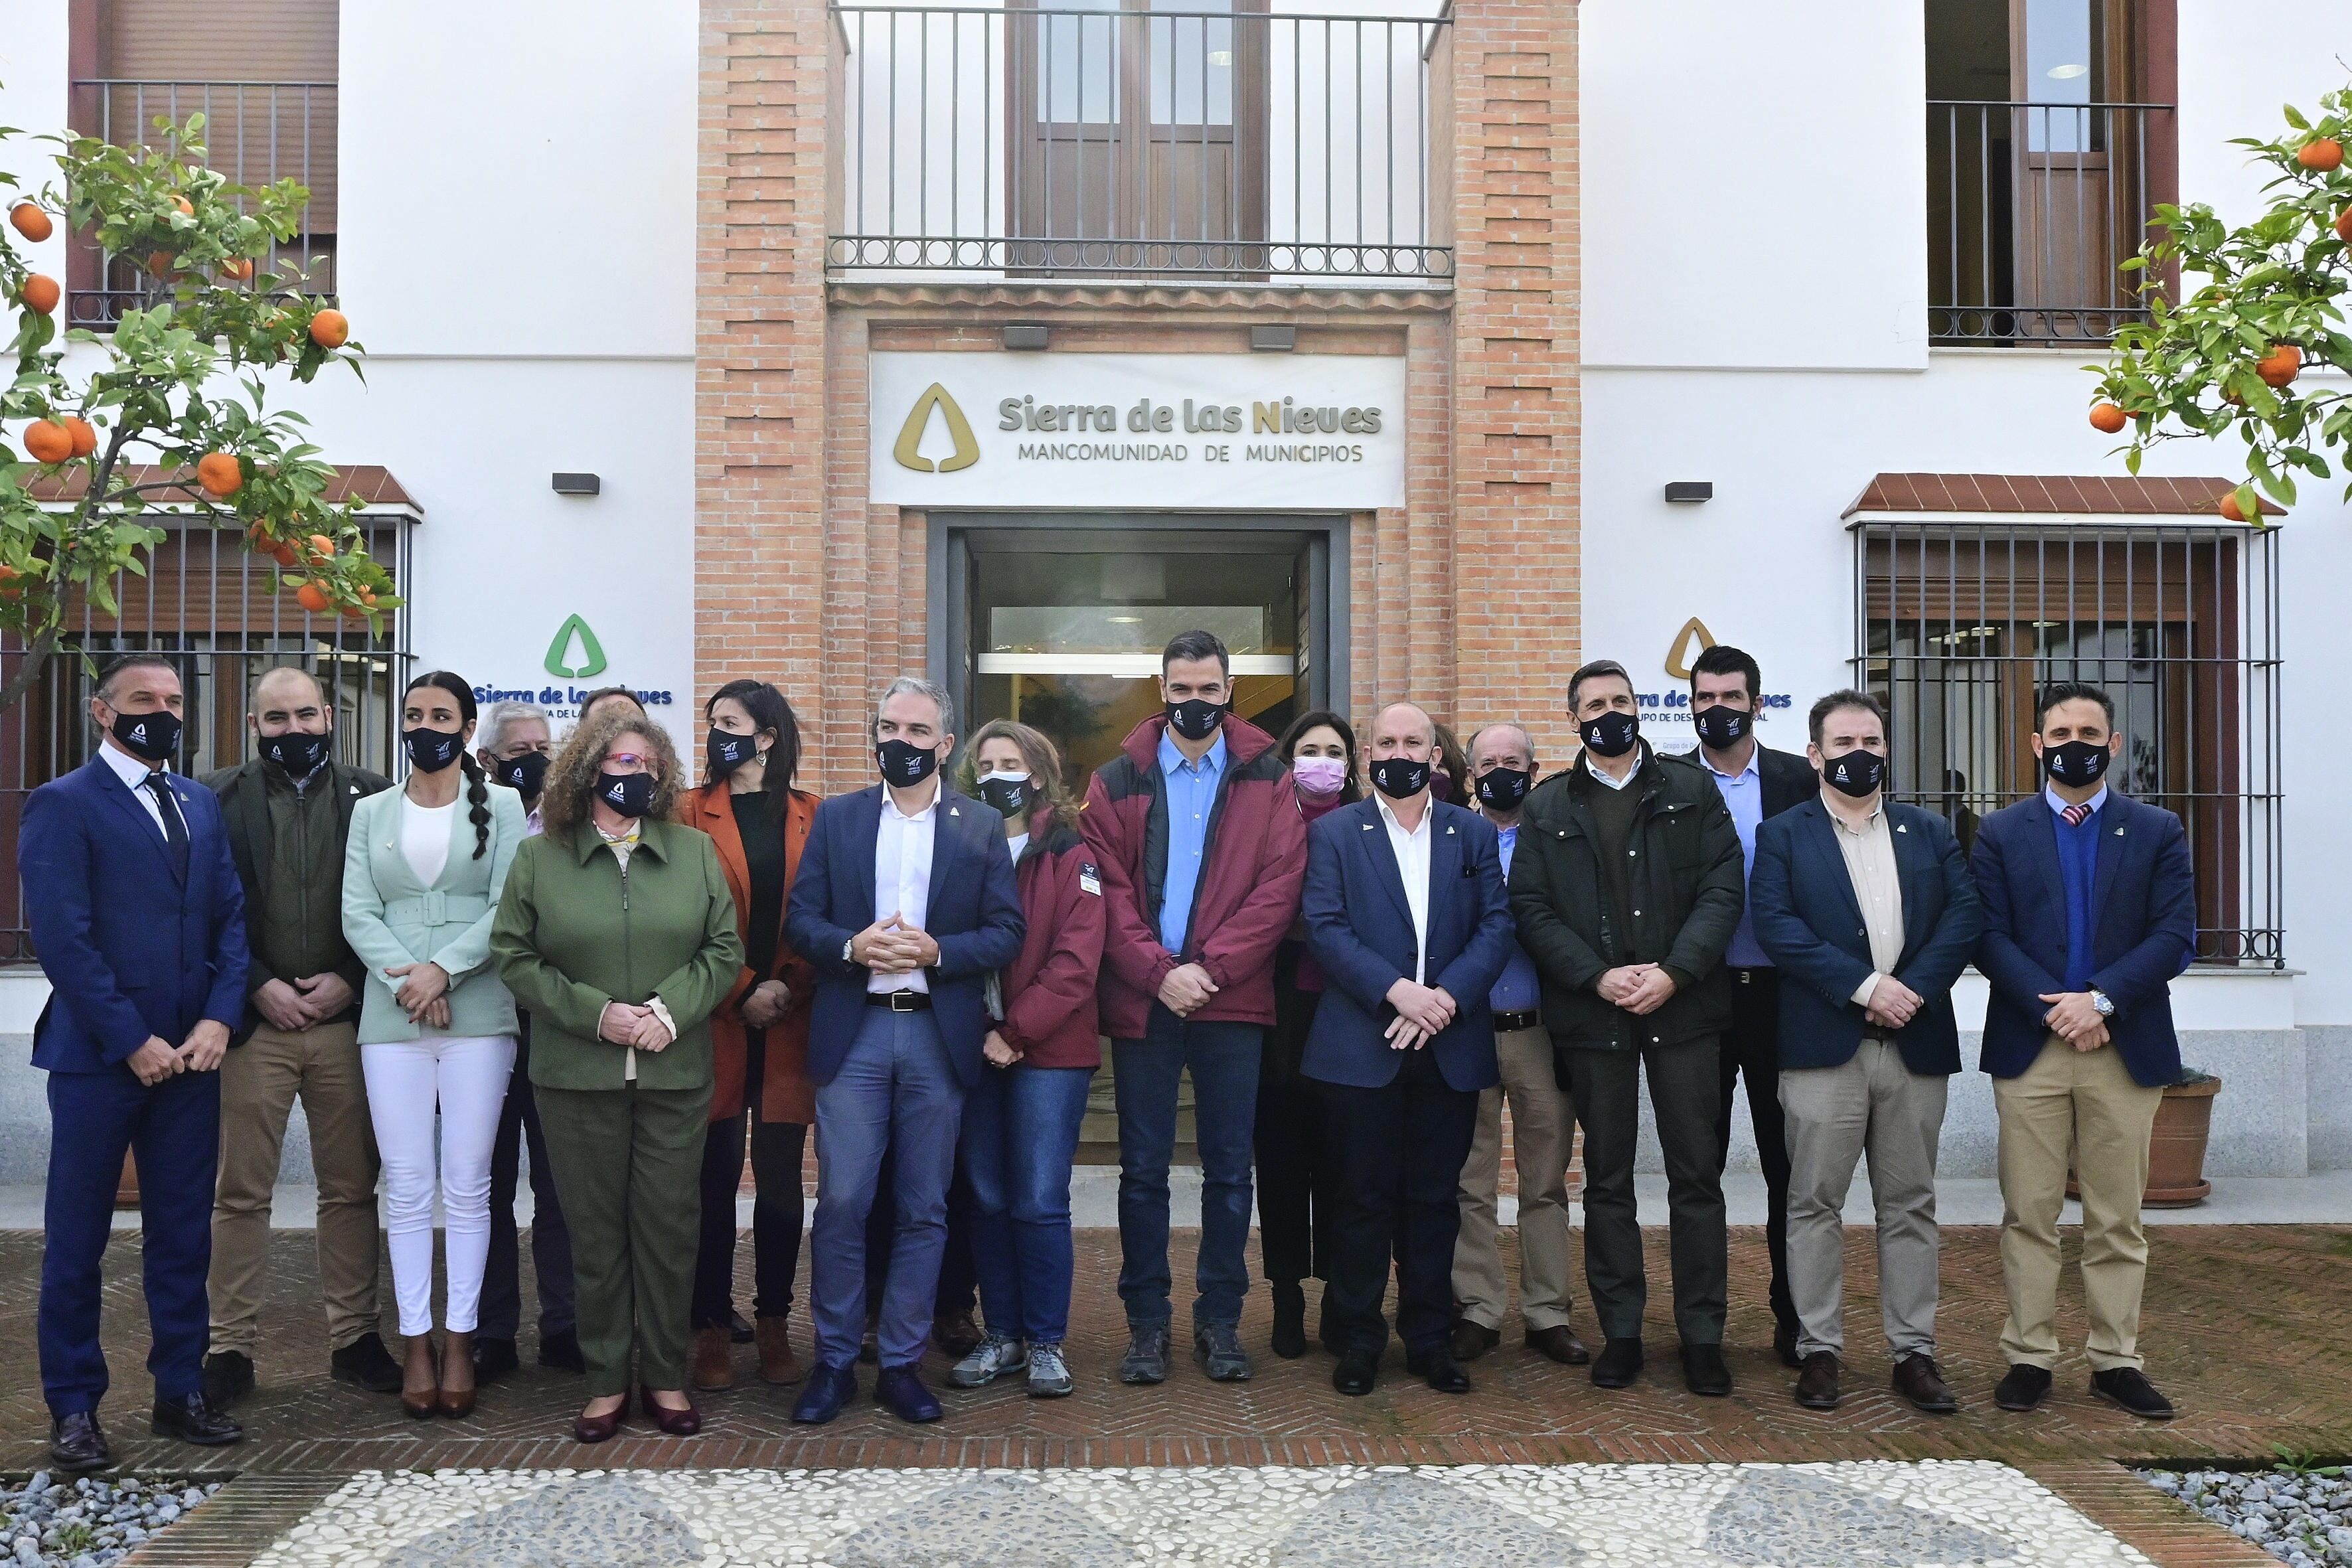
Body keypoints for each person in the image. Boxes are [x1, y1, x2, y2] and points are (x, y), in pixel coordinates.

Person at [491, 710, 744, 1443]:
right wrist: (598, 1015)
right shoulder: (542, 857)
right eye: (618, 762)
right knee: (594, 1233)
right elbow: (515, 955)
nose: (632, 775)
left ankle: (664, 1375)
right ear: (586, 771)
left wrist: (670, 1011)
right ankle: (606, 1382)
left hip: (674, 1072)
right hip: (576, 1075)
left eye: (645, 763)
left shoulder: (693, 853)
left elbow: (723, 949)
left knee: (668, 1228)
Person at [23, 655, 249, 1470]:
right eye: (143, 699)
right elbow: (64, 940)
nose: (162, 711)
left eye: (174, 700)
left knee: (183, 1236)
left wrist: (222, 1018)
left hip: (193, 1058)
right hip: (99, 1059)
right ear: (101, 711)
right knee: (77, 1241)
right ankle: (75, 1407)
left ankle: (179, 1389)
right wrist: (132, 1038)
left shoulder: (197, 802)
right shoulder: (63, 804)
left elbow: (230, 918)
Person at [783, 676, 1025, 1425]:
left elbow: (1007, 932)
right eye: (890, 727)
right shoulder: (840, 817)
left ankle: (900, 1364)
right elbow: (802, 920)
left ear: (946, 746)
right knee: (847, 1201)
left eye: (919, 732)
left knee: (924, 1208)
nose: (903, 743)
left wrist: (938, 949)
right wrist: (851, 946)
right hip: (855, 1031)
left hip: (934, 1032)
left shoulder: (978, 826)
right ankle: (830, 1362)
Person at [1508, 659, 1743, 1396]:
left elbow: (1722, 885)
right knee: (1607, 1179)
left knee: (1694, 1177)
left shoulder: (1690, 787)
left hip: (1685, 1008)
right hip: (1594, 1016)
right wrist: (1595, 976)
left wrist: (1675, 970)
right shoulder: (1548, 807)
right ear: (1573, 718)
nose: (1610, 713)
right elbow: (1532, 907)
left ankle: (1703, 1336)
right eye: (1594, 704)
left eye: (1621, 700)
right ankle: (1623, 1333)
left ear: (1639, 708)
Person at [1083, 630, 1307, 1387]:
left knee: (1227, 1170)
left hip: (1230, 999)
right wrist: (1158, 971)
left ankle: (1219, 1320)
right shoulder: (1116, 779)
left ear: (1230, 689)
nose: (1195, 703)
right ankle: (1146, 1324)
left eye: (1209, 690)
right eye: (1182, 689)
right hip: (1148, 1000)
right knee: (1142, 1169)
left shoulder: (1268, 777)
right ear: (1162, 689)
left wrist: (1208, 971)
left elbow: (1279, 888)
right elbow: (1105, 890)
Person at [1749, 690, 1982, 1414]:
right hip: (1825, 1047)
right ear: (1816, 754)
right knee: (1813, 1201)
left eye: (1872, 742)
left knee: (1910, 1203)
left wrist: (1907, 989)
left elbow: (1964, 913)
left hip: (1913, 1041)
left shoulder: (1928, 830)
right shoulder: (1785, 834)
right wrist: (1863, 987)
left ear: (1887, 749)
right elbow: (1777, 926)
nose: (1861, 754)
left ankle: (1914, 1351)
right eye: (1844, 742)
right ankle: (1819, 1349)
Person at [1972, 681, 2195, 1422]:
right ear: (2037, 744)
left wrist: (2097, 999)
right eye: (2060, 730)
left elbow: (2174, 937)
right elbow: (1989, 935)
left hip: (2121, 1044)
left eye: (2089, 731)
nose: (2076, 742)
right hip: (2032, 1047)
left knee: (2116, 1217)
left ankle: (2115, 1361)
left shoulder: (2158, 828)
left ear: (2113, 744)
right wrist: (2059, 1009)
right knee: (2029, 1213)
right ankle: (2030, 1356)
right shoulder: (2001, 833)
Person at [1302, 702, 1516, 1397]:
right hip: (1362, 1044)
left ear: (1436, 754)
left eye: (1414, 741)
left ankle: (1428, 1339)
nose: (1401, 751)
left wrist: (1443, 1000)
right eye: (1388, 741)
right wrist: (1398, 992)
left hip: (1449, 1045)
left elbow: (1495, 926)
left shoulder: (1472, 833)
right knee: (1360, 1199)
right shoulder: (1336, 832)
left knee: (1435, 1202)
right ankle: (1358, 1339)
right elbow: (1325, 926)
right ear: (1368, 755)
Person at [201, 665, 399, 1409]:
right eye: (277, 718)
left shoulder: (377, 795)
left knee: (351, 1188)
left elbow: (395, 901)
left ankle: (355, 1339)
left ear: (329, 717)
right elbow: (204, 909)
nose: (294, 730)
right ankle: (229, 1348)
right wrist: (256, 982)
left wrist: (352, 975)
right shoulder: (216, 796)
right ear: (255, 726)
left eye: (306, 715)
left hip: (349, 1022)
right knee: (241, 1191)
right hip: (259, 1025)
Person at [343, 672, 529, 1419]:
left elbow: (508, 904)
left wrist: (442, 970)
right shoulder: (371, 812)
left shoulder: (507, 806)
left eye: (441, 715)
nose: (426, 725)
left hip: (478, 1012)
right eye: (415, 714)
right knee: (409, 1183)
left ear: (468, 725)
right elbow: (357, 910)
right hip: (393, 1019)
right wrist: (407, 984)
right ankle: (415, 1338)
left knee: (469, 1182)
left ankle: (461, 1338)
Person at [946, 720, 1107, 1398]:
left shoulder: (1073, 852)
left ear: (1038, 774)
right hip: (971, 1045)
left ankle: (1045, 1341)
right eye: (986, 763)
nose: (997, 773)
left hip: (1048, 1053)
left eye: (1011, 762)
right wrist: (982, 1031)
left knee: (1039, 1198)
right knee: (985, 1195)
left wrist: (1015, 1032)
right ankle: (1002, 1334)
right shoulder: (960, 843)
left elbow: (1076, 963)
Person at [1674, 643, 1818, 1369]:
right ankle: (1702, 1330)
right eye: (1704, 697)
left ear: (1757, 703)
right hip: (1699, 1001)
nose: (1717, 709)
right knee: (1696, 1169)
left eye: (1731, 696)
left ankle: (1794, 1318)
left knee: (1787, 1168)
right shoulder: (1666, 782)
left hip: (1785, 999)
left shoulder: (1800, 778)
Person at [682, 680, 821, 1392]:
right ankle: (709, 1323)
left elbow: (824, 908)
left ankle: (773, 1321)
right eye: (712, 724)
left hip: (790, 1023)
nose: (716, 735)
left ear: (767, 736)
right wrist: (742, 988)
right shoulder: (686, 813)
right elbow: (681, 920)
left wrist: (787, 986)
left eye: (731, 723)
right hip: (715, 1018)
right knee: (709, 1183)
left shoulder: (813, 815)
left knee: (779, 1187)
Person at [1451, 720, 1588, 1367]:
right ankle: (1477, 1307)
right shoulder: (1451, 837)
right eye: (1488, 760)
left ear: (1535, 772)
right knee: (1470, 1180)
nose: (1500, 769)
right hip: (1469, 1029)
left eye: (1514, 760)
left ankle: (1547, 1312)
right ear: (1470, 772)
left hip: (1539, 1031)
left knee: (1544, 1181)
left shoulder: (1559, 841)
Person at [471, 699, 580, 1381]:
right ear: (488, 760)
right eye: (521, 748)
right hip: (482, 1023)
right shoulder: (467, 823)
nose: (536, 757)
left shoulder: (569, 829)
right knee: (482, 1185)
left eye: (545, 745)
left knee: (559, 1184)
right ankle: (491, 1331)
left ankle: (565, 1327)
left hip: (553, 1026)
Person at [1257, 710, 1358, 1359]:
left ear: (1351, 763)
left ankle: (1338, 1298)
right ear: (1289, 758)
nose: (1321, 760)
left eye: (1334, 750)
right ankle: (1287, 1297)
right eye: (1309, 749)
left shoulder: (1365, 826)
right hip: (1277, 1004)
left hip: (1347, 1003)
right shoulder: (1265, 821)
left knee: (1346, 1163)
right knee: (1283, 1160)